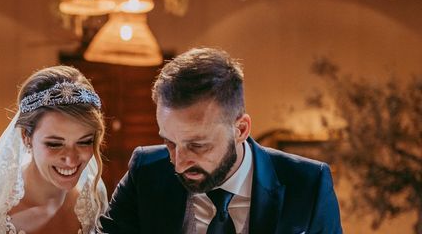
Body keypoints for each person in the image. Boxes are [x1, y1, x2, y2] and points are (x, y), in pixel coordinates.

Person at [100, 47, 342, 234]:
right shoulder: (146, 172)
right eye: (170, 143)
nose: (179, 163)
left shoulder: (308, 185)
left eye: (198, 145)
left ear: (241, 129)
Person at [0, 65, 107, 234]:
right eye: (54, 144)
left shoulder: (94, 199)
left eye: (84, 142)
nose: (71, 159)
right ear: (26, 137)